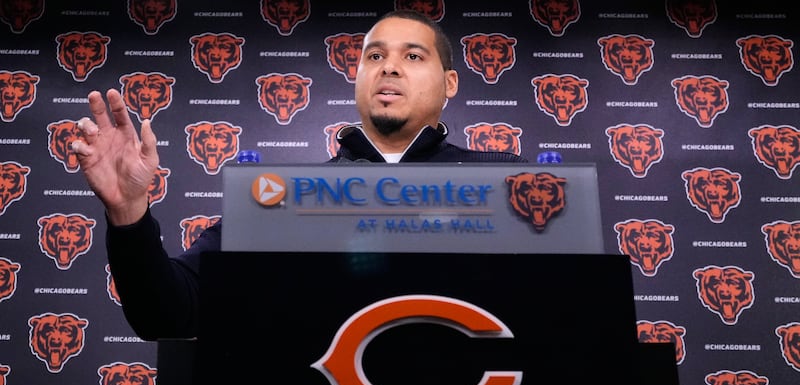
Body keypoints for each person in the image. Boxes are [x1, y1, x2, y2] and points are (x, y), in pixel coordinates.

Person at [72, 9, 527, 341]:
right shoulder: (283, 200)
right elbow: (168, 316)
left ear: (449, 83)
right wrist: (129, 214)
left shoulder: (508, 186)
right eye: (374, 56)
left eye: (412, 56)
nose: (388, 66)